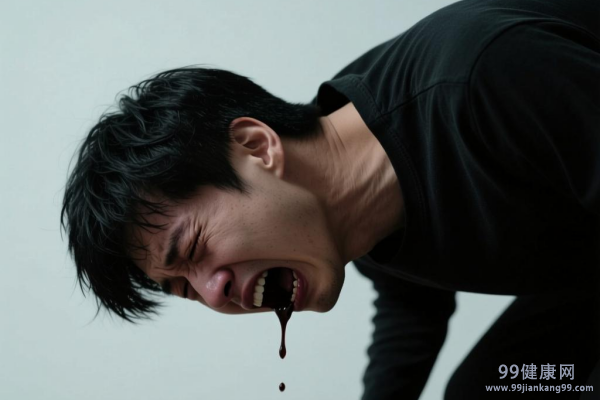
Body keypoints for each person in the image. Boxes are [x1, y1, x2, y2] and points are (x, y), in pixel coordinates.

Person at [61, 0, 599, 398]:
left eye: (193, 247)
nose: (213, 292)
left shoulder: (481, 80)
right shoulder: (338, 198)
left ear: (258, 147)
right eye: (184, 289)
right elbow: (412, 302)